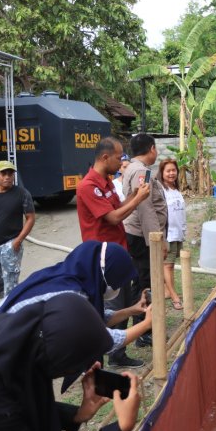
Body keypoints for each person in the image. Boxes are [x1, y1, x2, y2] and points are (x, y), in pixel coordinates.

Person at [0, 294, 141, 431]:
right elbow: (4, 412)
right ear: (59, 360)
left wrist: (77, 415)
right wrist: (121, 427)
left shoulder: (24, 339)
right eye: (76, 366)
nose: (84, 369)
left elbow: (20, 398)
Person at [0, 241, 153, 357]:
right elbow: (100, 339)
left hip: (6, 339)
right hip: (3, 349)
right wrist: (146, 324)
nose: (117, 288)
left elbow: (95, 320)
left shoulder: (68, 276)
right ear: (106, 274)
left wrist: (132, 310)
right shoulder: (72, 296)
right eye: (117, 282)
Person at [76, 137, 150, 368]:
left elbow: (118, 208)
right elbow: (113, 218)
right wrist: (137, 199)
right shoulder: (88, 186)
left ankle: (118, 353)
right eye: (119, 158)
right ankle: (110, 355)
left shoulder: (106, 183)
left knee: (126, 303)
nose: (122, 162)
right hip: (102, 260)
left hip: (118, 253)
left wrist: (134, 195)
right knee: (113, 309)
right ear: (105, 157)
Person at [123, 133, 167, 348]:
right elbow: (145, 208)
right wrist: (156, 242)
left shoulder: (132, 168)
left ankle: (142, 326)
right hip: (142, 237)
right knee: (144, 282)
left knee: (140, 281)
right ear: (151, 148)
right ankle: (144, 331)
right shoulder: (142, 172)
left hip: (138, 235)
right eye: (156, 148)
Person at [0, 160, 36, 298]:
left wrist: (18, 241)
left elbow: (30, 218)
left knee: (10, 284)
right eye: (3, 173)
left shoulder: (22, 193)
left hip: (11, 245)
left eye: (10, 173)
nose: (7, 176)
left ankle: (11, 310)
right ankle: (10, 302)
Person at [158, 158, 185, 310]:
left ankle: (168, 291)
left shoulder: (176, 190)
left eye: (174, 170)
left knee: (171, 265)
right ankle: (174, 296)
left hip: (177, 232)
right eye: (168, 171)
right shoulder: (161, 190)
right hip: (168, 233)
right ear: (162, 173)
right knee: (167, 265)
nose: (171, 173)